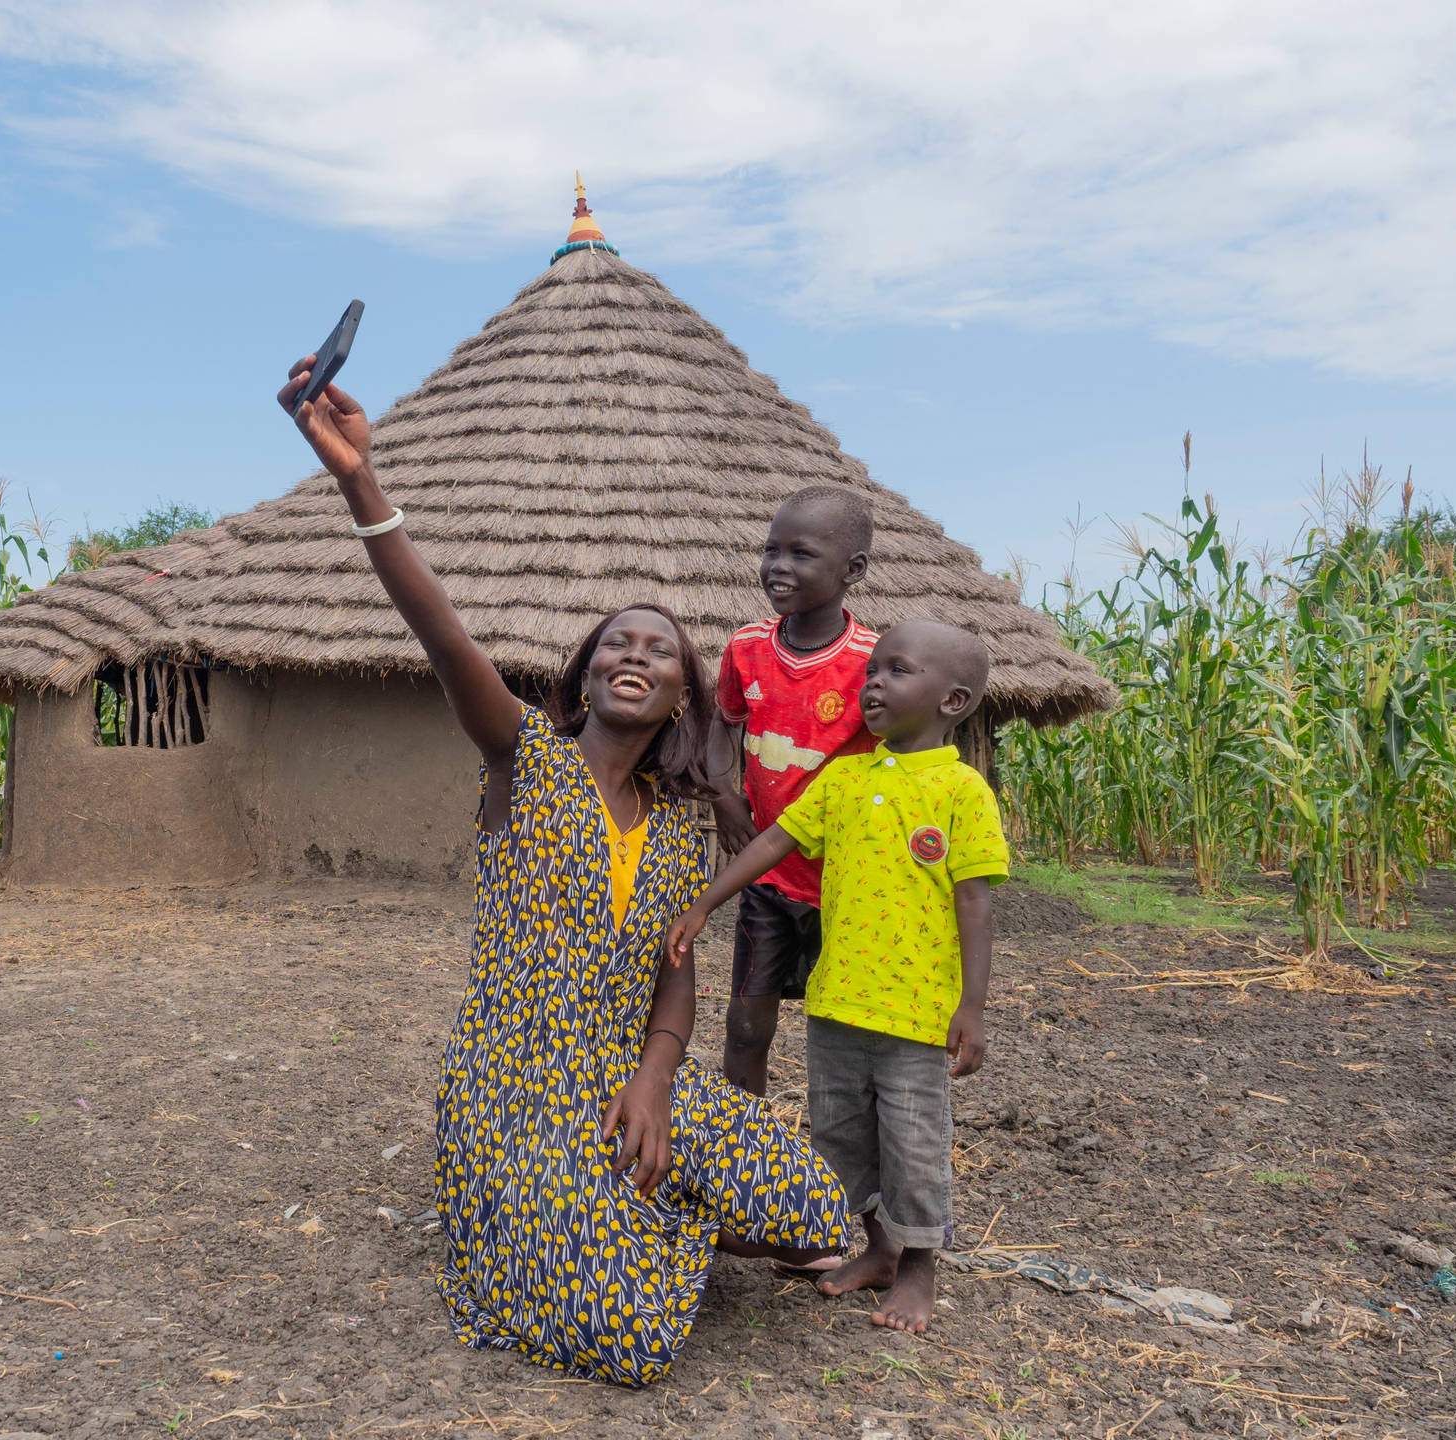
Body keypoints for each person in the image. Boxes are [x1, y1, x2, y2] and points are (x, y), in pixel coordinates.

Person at [277, 357, 849, 1387]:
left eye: (660, 650)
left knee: (813, 1215)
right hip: (518, 1080)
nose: (635, 654)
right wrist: (361, 483)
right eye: (614, 644)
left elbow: (677, 971)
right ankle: (602, 1220)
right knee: (624, 1338)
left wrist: (653, 1084)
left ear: (681, 692)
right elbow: (439, 629)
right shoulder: (522, 764)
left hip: (624, 1072)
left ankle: (624, 1201)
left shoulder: (679, 825)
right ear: (584, 674)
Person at [668, 620, 1007, 1335]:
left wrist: (974, 1005)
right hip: (836, 1004)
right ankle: (878, 1250)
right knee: (840, 1135)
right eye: (872, 669)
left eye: (896, 670)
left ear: (952, 701)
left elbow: (975, 902)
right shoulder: (845, 778)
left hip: (915, 1015)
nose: (873, 681)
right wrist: (705, 901)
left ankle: (919, 1270)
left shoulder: (961, 791)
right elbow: (772, 840)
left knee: (912, 1142)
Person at [707, 488, 877, 1096]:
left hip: (844, 885)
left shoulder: (873, 664)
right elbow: (723, 724)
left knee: (844, 1031)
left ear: (852, 570)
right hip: (768, 878)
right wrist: (725, 794)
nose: (779, 566)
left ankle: (846, 1164)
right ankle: (742, 1147)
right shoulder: (746, 649)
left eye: (801, 553)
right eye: (771, 549)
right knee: (747, 1025)